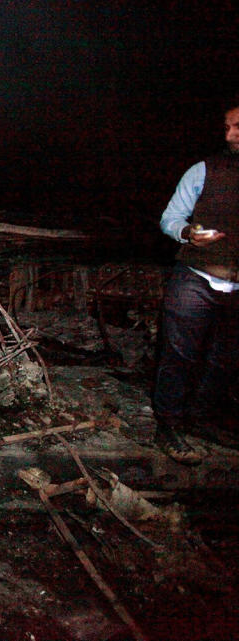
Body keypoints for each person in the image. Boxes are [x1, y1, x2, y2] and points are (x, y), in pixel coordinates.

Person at [153, 98, 239, 464]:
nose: (230, 135)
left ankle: (202, 419)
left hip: (237, 286)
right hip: (196, 278)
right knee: (179, 354)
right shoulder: (204, 170)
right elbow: (170, 218)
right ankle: (168, 425)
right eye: (227, 128)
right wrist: (188, 232)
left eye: (238, 128)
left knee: (225, 358)